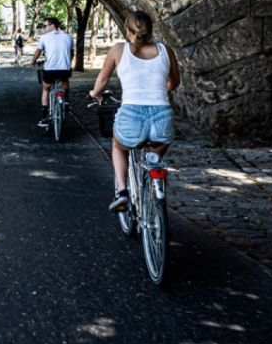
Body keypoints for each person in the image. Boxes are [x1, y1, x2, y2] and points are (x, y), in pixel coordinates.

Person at [88, 11, 180, 211]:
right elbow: (174, 82)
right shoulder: (166, 50)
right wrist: (158, 90)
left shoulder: (118, 50)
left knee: (118, 146)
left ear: (127, 30)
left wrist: (95, 94)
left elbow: (102, 80)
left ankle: (122, 192)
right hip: (162, 115)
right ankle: (153, 162)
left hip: (131, 116)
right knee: (160, 144)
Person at [30, 17, 74, 127]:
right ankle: (66, 101)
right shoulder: (68, 37)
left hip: (50, 70)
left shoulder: (44, 38)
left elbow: (38, 52)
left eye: (45, 26)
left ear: (53, 26)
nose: (43, 29)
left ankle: (44, 117)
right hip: (65, 69)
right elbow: (71, 53)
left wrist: (33, 61)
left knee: (45, 88)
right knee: (65, 81)